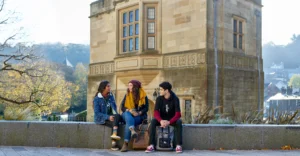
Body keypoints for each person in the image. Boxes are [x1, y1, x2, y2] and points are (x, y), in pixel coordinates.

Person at [145, 81, 183, 153]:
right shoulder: (159, 99)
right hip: (162, 120)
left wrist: (169, 122)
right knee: (153, 121)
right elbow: (156, 112)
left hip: (171, 120)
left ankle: (178, 145)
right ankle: (151, 145)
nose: (160, 91)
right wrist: (160, 120)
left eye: (161, 89)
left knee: (179, 122)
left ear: (167, 90)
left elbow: (178, 114)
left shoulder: (175, 99)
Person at [120, 80, 149, 152]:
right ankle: (132, 131)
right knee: (128, 115)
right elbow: (122, 107)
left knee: (130, 121)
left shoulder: (143, 95)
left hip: (138, 116)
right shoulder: (127, 94)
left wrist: (139, 113)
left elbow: (146, 108)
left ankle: (126, 144)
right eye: (128, 85)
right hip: (127, 114)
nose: (129, 87)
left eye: (131, 85)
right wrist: (129, 110)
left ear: (135, 87)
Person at [93, 80, 121, 151]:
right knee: (115, 123)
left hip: (111, 117)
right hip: (101, 119)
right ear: (103, 88)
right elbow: (97, 113)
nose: (109, 88)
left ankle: (114, 138)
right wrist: (108, 117)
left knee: (117, 116)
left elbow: (114, 108)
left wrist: (114, 116)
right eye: (108, 86)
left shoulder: (111, 96)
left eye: (109, 86)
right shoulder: (97, 99)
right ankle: (114, 143)